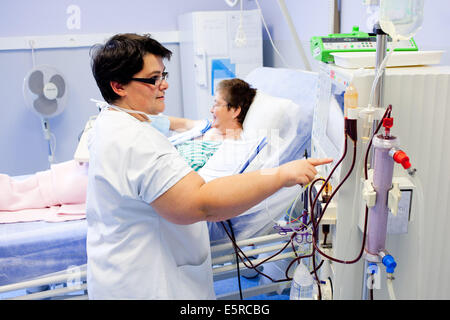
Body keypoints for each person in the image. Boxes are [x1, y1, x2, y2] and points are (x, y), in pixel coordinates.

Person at [86, 33, 332, 300]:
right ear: (118, 86)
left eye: (163, 75)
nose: (164, 85)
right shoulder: (136, 140)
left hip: (121, 275)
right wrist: (282, 174)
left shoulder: (110, 123)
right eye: (153, 79)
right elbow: (202, 203)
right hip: (146, 284)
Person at [174, 78, 255, 171]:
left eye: (216, 105)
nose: (211, 110)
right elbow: (181, 123)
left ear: (235, 110)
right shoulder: (208, 126)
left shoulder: (233, 146)